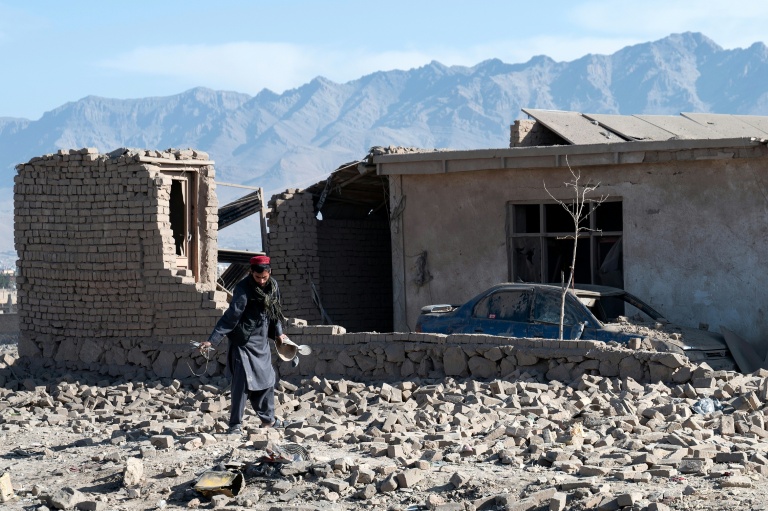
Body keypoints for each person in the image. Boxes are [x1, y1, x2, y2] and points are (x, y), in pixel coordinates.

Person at [200, 255, 288, 435]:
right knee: (242, 383)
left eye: (264, 277)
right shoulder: (242, 288)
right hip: (243, 341)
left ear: (270, 272)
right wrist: (213, 340)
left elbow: (274, 312)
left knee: (267, 380)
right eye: (258, 277)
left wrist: (279, 334)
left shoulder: (273, 286)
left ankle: (268, 420)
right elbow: (232, 316)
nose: (261, 281)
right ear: (251, 273)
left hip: (261, 340)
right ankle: (235, 424)